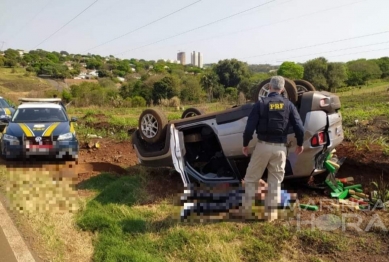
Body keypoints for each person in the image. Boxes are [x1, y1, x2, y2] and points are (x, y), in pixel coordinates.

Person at [241, 76, 304, 221]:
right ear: (282, 89)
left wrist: (245, 144)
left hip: (263, 146)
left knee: (251, 179)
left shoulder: (261, 104)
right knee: (275, 182)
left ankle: (248, 212)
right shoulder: (289, 105)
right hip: (281, 148)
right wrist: (300, 144)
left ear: (269, 87)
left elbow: (249, 127)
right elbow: (299, 128)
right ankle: (270, 216)